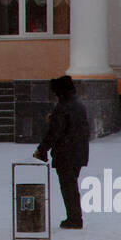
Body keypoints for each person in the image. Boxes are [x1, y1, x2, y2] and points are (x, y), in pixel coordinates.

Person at [33, 75, 90, 229]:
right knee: (71, 186)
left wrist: (41, 149)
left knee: (68, 187)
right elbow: (76, 126)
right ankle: (75, 217)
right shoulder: (78, 105)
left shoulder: (62, 107)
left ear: (60, 92)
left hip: (66, 153)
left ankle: (74, 219)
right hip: (78, 152)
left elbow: (55, 133)